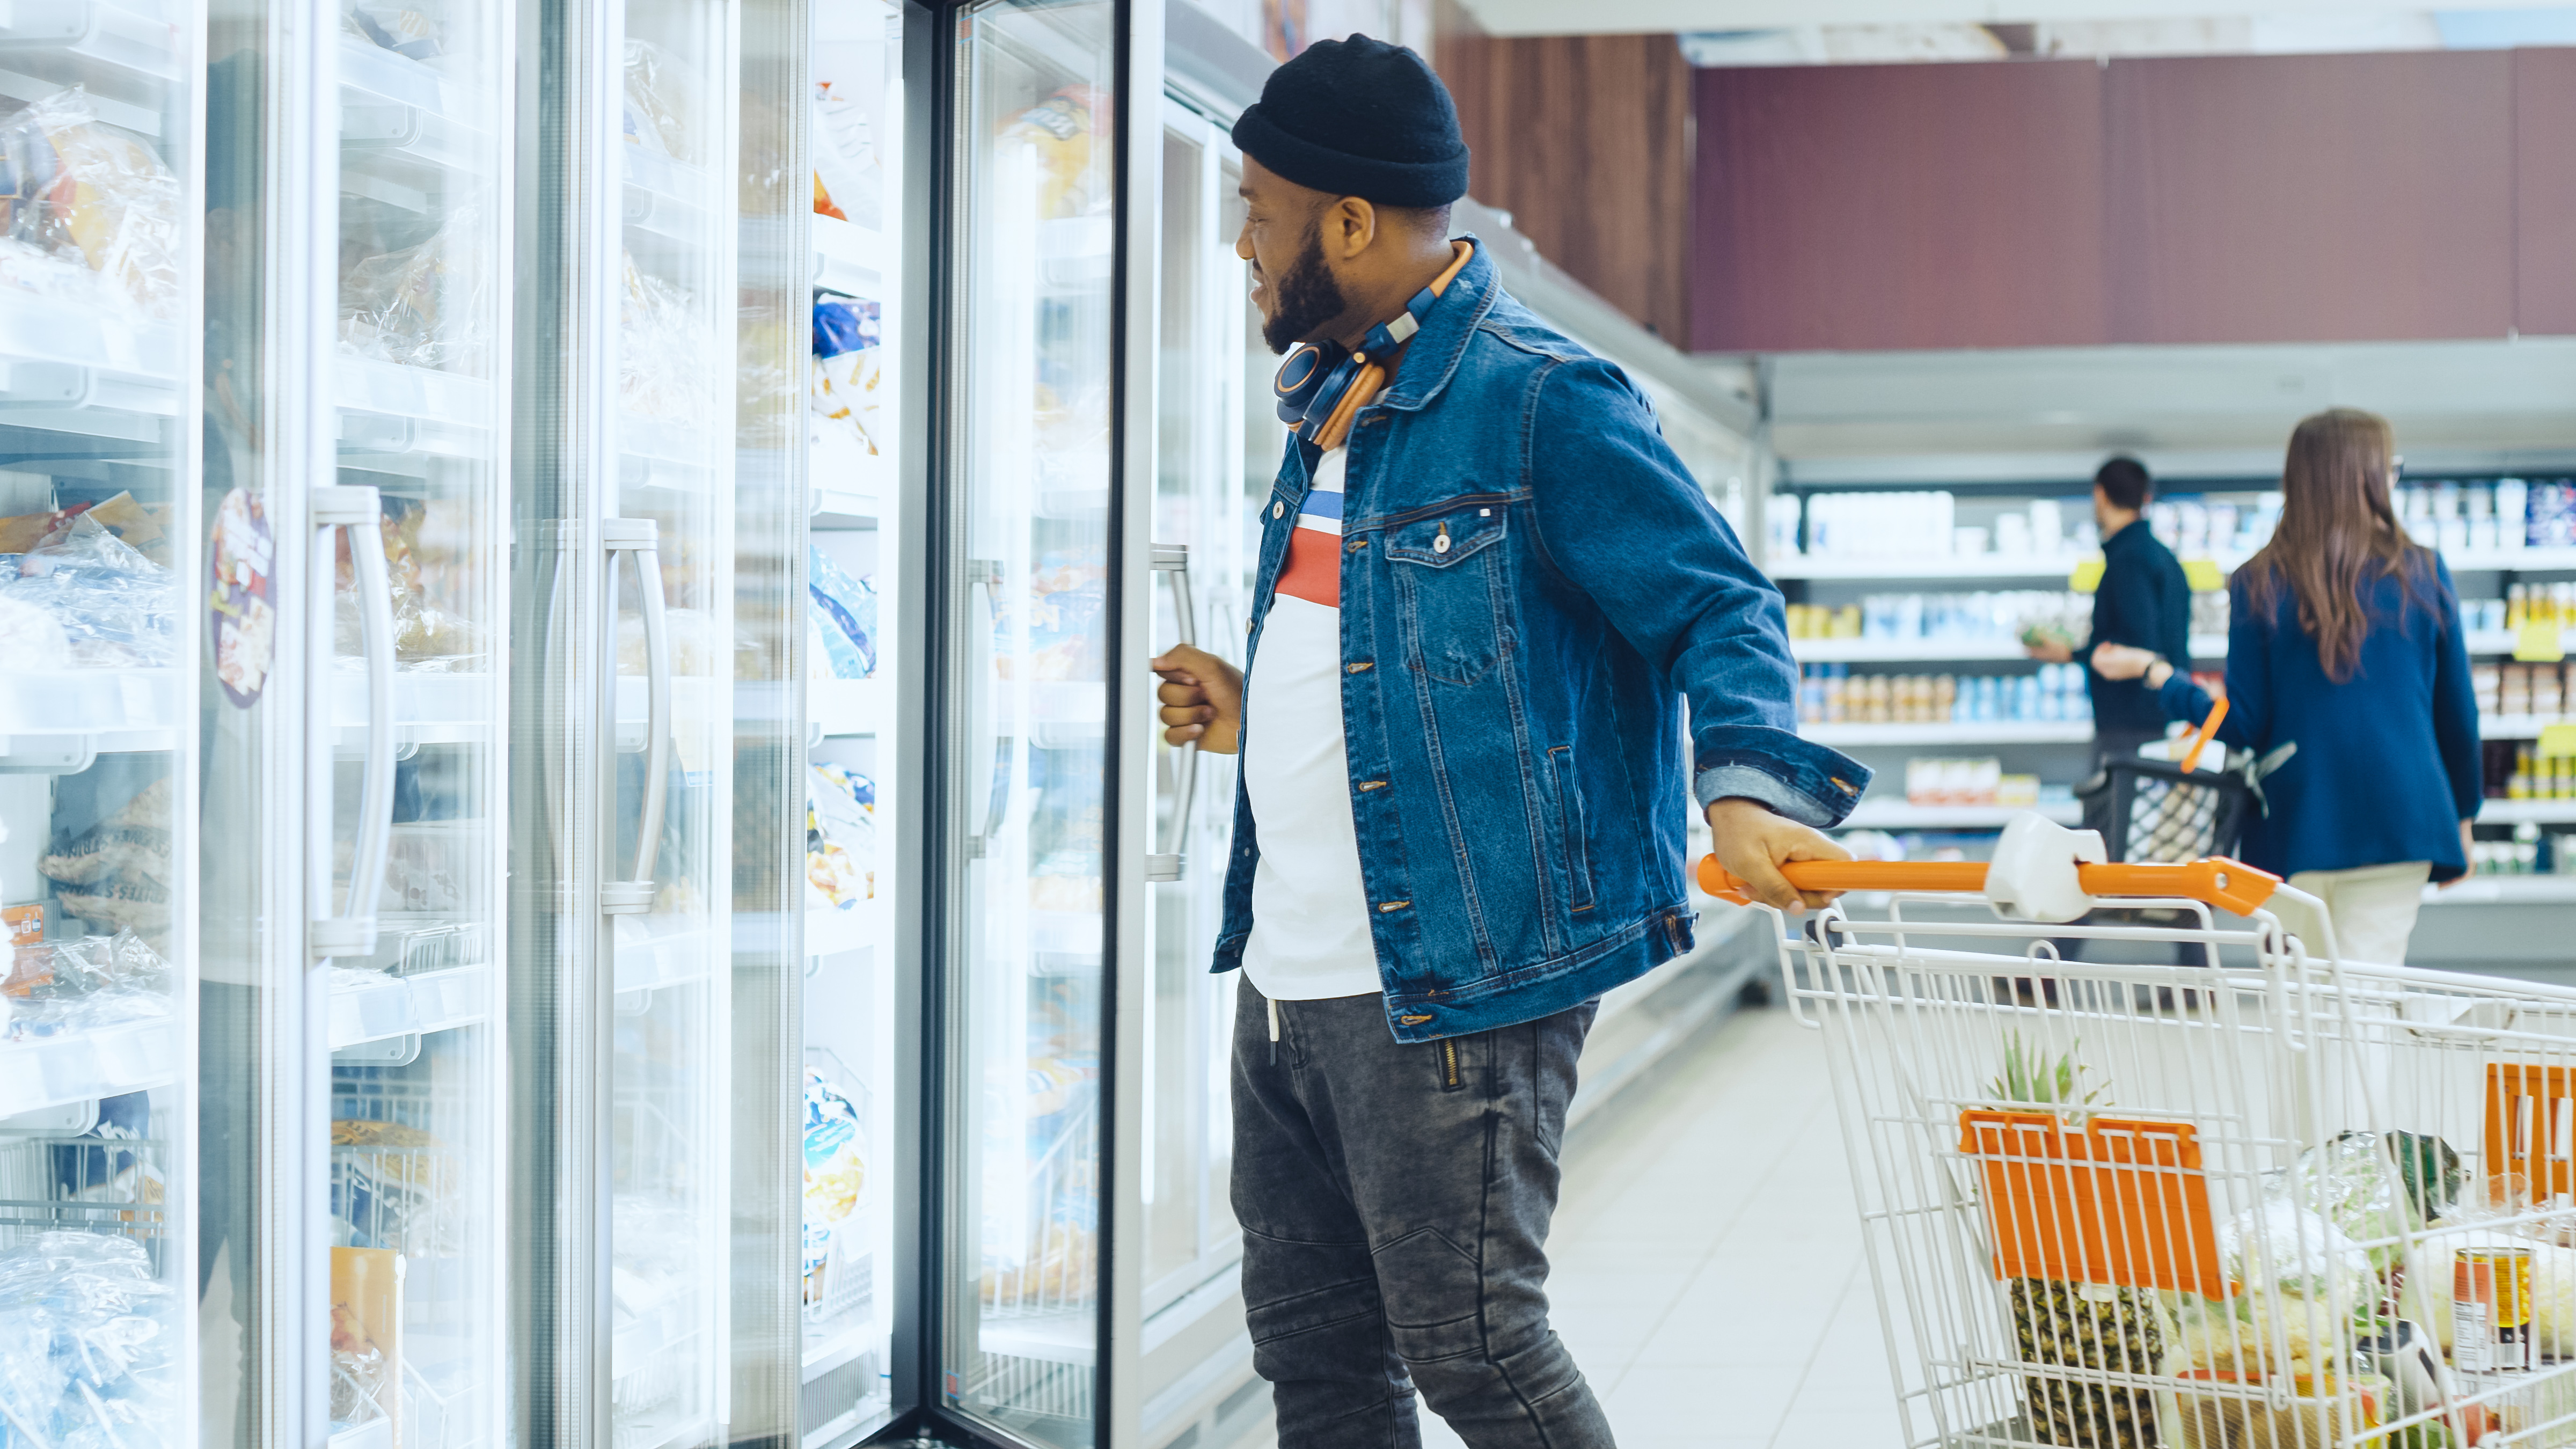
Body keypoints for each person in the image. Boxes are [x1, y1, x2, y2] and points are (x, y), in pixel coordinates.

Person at [1147, 35, 1867, 1449]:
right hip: (1286, 973)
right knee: (1312, 1349)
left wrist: (1744, 789)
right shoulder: (1328, 401)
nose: (1241, 243)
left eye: (1258, 211)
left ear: (1351, 223)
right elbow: (1384, 645)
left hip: (1456, 977)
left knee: (1475, 1347)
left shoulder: (1543, 397)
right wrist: (1257, 707)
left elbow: (1719, 605)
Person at [2091, 407, 2480, 966]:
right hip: (2404, 817)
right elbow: (2458, 715)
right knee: (2368, 994)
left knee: (2305, 997)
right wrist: (2463, 818)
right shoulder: (2421, 572)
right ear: (2370, 477)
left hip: (2299, 820)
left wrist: (2158, 675)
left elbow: (2243, 724)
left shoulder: (2259, 580)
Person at [2029, 456, 2193, 778]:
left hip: (2129, 728)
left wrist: (2071, 653)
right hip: (2159, 718)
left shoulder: (2128, 562)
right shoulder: (2163, 557)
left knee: (2113, 809)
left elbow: (2136, 649)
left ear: (2100, 495)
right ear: (2145, 499)